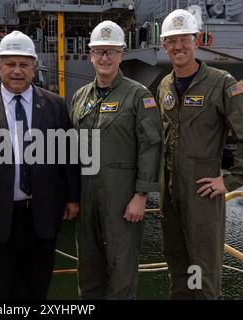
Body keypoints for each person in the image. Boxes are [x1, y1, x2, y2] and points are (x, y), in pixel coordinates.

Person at [0, 30, 80, 300]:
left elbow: (68, 154)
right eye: (10, 64)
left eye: (24, 64)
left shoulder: (55, 105)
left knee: (36, 288)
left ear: (34, 68)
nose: (17, 71)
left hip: (41, 216)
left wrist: (72, 197)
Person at [157, 9, 243, 299]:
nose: (178, 47)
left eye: (184, 39)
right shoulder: (164, 85)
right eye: (171, 41)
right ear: (164, 46)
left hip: (202, 194)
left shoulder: (221, 82)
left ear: (196, 41)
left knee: (202, 272)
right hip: (169, 194)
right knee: (178, 269)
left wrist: (230, 181)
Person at [69, 20, 163, 299]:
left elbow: (151, 145)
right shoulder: (80, 97)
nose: (104, 58)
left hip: (122, 197)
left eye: (111, 51)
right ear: (90, 55)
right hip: (87, 197)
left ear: (122, 54)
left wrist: (141, 195)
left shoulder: (138, 96)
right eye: (99, 51)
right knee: (88, 269)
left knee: (121, 269)